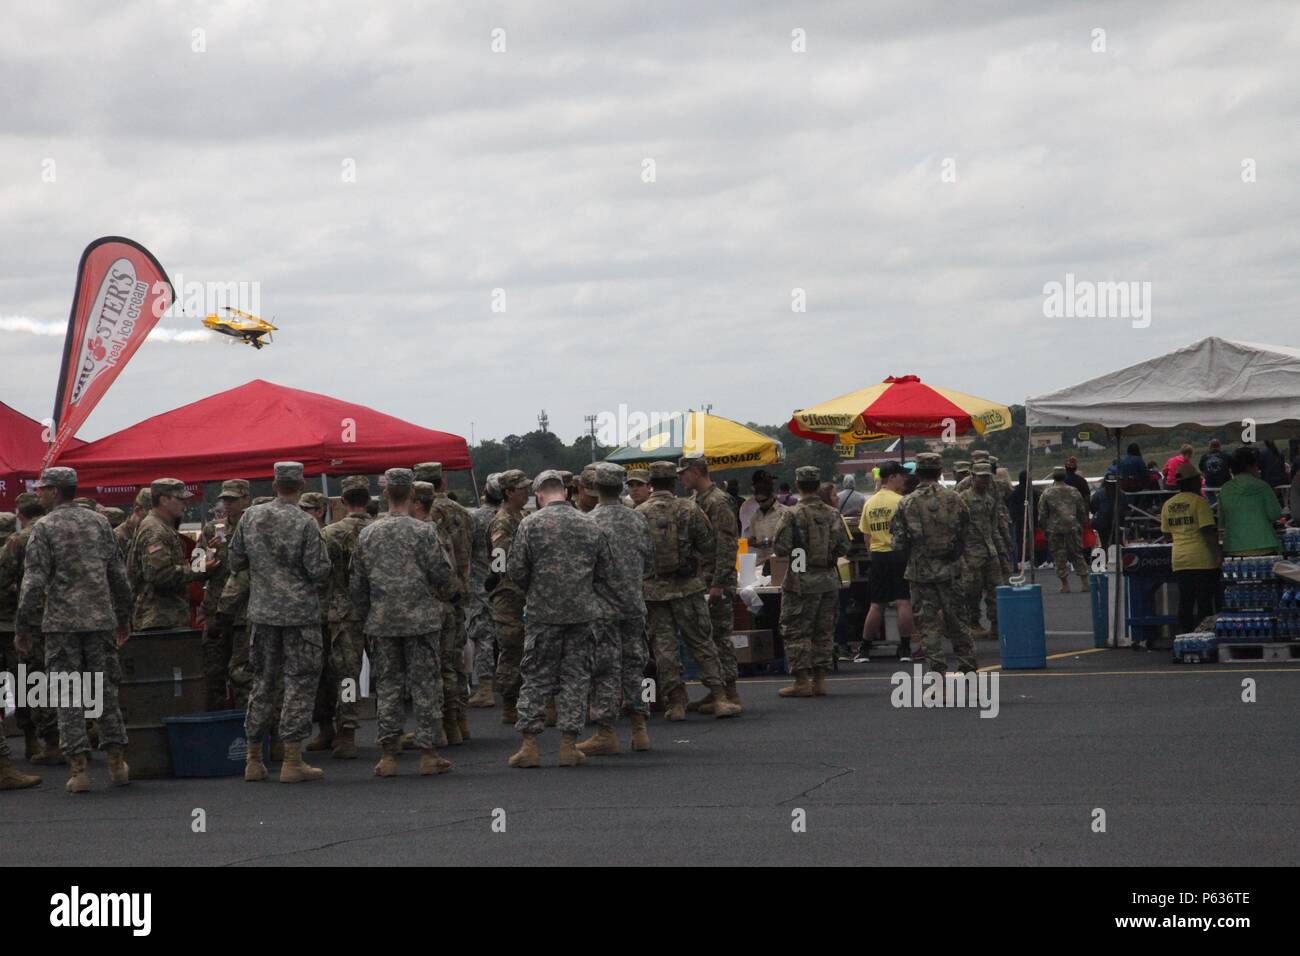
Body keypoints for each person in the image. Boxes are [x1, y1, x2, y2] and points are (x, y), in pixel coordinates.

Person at [16, 467, 134, 793]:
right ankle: (116, 762)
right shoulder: (98, 523)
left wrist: (23, 625)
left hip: (61, 625)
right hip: (100, 621)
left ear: (55, 492)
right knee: (106, 691)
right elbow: (118, 576)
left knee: (69, 693)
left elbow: (34, 581)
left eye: (43, 489)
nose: (39, 493)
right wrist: (124, 616)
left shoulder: (44, 527)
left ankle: (79, 769)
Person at [230, 462, 332, 784]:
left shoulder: (250, 517)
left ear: (274, 486)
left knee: (262, 682)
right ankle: (291, 759)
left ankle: (253, 759)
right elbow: (320, 570)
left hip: (262, 613)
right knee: (299, 683)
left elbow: (235, 561)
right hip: (299, 616)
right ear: (301, 485)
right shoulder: (306, 523)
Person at [505, 471, 615, 768]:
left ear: (539, 495)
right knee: (576, 678)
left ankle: (530, 746)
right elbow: (605, 571)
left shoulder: (530, 524)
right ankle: (568, 745)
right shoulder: (590, 524)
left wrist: (537, 589)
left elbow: (516, 571)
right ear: (566, 493)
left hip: (543, 614)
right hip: (582, 613)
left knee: (536, 677)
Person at [350, 469, 453, 778]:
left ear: (385, 495)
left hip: (382, 621)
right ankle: (428, 753)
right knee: (425, 687)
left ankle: (388, 755)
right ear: (411, 495)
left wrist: (368, 614)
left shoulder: (368, 533)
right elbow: (442, 575)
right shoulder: (424, 532)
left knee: (388, 687)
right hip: (420, 620)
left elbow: (357, 585)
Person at [636, 461, 741, 720]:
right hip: (688, 588)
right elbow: (708, 546)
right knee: (702, 641)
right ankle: (719, 696)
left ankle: (676, 703)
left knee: (664, 647)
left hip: (654, 591)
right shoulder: (690, 508)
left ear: (651, 483)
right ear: (673, 482)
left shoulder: (638, 513)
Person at [577, 462, 654, 755]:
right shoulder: (638, 520)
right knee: (635, 666)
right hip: (634, 604)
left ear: (595, 487)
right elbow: (650, 562)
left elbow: (582, 569)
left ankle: (606, 732)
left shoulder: (588, 522)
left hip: (602, 608)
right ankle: (640, 729)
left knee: (605, 670)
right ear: (622, 486)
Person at [890, 453, 975, 675]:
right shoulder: (955, 499)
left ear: (917, 473)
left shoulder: (906, 502)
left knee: (929, 628)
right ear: (940, 472)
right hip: (952, 570)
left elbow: (898, 543)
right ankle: (969, 672)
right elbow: (967, 532)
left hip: (921, 573)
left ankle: (938, 677)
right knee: (959, 624)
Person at [773, 466, 852, 698]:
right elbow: (844, 546)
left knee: (796, 630)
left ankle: (801, 681)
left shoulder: (791, 513)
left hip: (800, 579)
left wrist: (801, 553)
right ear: (818, 486)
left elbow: (781, 548)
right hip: (828, 579)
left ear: (798, 485)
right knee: (824, 631)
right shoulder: (832, 514)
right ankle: (820, 681)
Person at [677, 452, 743, 714]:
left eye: (684, 472)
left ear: (697, 471)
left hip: (716, 579)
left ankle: (731, 692)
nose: (681, 477)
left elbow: (727, 546)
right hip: (702, 579)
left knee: (720, 637)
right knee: (707, 638)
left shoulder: (718, 502)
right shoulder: (698, 500)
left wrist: (719, 582)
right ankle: (715, 690)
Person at [413, 462, 473, 745]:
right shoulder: (461, 511)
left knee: (432, 667)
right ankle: (458, 722)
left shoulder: (426, 522)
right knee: (454, 661)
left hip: (432, 598)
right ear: (442, 480)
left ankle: (438, 726)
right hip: (457, 593)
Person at [0, 492, 59, 764]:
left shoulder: (20, 540)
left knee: (28, 679)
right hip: (63, 617)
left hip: (26, 621)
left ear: (20, 515)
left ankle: (39, 740)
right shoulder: (58, 530)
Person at [318, 476, 372, 758]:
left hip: (343, 613)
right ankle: (393, 732)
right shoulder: (379, 530)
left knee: (346, 676)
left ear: (342, 501)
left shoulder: (330, 533)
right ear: (368, 500)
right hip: (379, 611)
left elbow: (319, 574)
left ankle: (346, 732)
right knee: (389, 675)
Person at [129, 478, 216, 631]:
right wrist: (198, 568)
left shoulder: (162, 527)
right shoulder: (154, 530)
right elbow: (159, 575)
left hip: (167, 617)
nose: (185, 504)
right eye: (180, 499)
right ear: (164, 500)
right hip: (159, 618)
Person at [198, 479, 251, 710]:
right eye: (225, 499)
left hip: (245, 613)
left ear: (246, 500)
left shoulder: (253, 526)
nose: (228, 504)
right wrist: (205, 562)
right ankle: (216, 728)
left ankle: (247, 727)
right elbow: (195, 567)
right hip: (216, 612)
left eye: (233, 500)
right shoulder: (212, 530)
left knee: (243, 674)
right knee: (213, 673)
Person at [858, 459, 914, 661]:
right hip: (899, 554)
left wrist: (872, 554)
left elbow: (866, 535)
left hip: (878, 555)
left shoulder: (869, 502)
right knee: (903, 601)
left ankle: (865, 648)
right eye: (902, 475)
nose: (905, 479)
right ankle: (906, 648)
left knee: (876, 604)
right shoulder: (901, 501)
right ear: (892, 477)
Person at [1160, 462, 1222, 639]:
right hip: (1202, 558)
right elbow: (1207, 531)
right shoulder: (1199, 502)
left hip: (1180, 558)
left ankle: (1184, 635)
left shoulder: (1168, 505)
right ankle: (1204, 636)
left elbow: (1166, 533)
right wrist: (1218, 553)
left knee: (1185, 600)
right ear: (1194, 481)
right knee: (1204, 601)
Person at [489, 469, 531, 722]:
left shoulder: (522, 517)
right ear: (508, 492)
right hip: (508, 593)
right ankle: (509, 702)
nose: (525, 492)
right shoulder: (503, 520)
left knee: (525, 647)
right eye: (521, 489)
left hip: (523, 592)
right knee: (511, 647)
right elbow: (499, 559)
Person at [959, 462, 1011, 639]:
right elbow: (957, 527)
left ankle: (997, 624)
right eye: (980, 477)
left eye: (987, 477)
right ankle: (973, 622)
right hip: (971, 552)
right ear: (972, 477)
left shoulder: (990, 498)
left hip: (990, 551)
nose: (984, 480)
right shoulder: (963, 499)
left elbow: (994, 526)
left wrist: (1002, 547)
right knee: (971, 591)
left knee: (996, 589)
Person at [465, 473, 503, 708]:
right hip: (505, 584)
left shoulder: (476, 518)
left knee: (484, 636)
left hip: (480, 583)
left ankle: (486, 687)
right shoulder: (509, 517)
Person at [1218, 447, 1282, 557]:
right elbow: (1275, 514)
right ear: (1250, 466)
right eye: (1256, 465)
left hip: (1235, 548)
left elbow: (1222, 521)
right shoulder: (1263, 486)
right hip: (1265, 545)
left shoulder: (1225, 490)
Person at [1038, 466, 1090, 592]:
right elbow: (1081, 510)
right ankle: (1084, 582)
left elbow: (1042, 513)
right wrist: (1083, 522)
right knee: (1077, 554)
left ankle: (1065, 584)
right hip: (1072, 526)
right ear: (1065, 476)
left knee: (1059, 555)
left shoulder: (1047, 492)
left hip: (1055, 529)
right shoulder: (1074, 491)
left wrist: (1043, 527)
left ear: (1053, 477)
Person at [746, 469, 788, 566]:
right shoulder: (755, 516)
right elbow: (750, 539)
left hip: (778, 562)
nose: (761, 504)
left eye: (764, 501)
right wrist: (754, 543)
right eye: (758, 501)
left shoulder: (784, 513)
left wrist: (771, 542)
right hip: (759, 563)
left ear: (772, 496)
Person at [1008, 471, 1041, 569]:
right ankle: (1030, 559)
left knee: (1020, 541)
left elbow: (1012, 507)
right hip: (1030, 519)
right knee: (1030, 541)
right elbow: (1037, 507)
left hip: (1019, 520)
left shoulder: (1015, 491)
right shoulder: (1033, 492)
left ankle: (1021, 560)